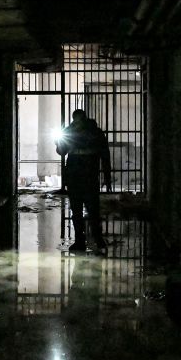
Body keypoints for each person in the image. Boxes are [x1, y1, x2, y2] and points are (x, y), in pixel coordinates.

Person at [55, 108, 112, 253]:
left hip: (77, 177)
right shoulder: (95, 132)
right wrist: (107, 176)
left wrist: (59, 140)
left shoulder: (71, 131)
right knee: (91, 210)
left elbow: (61, 151)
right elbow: (105, 155)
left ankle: (82, 241)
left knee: (79, 211)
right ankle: (97, 240)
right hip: (88, 176)